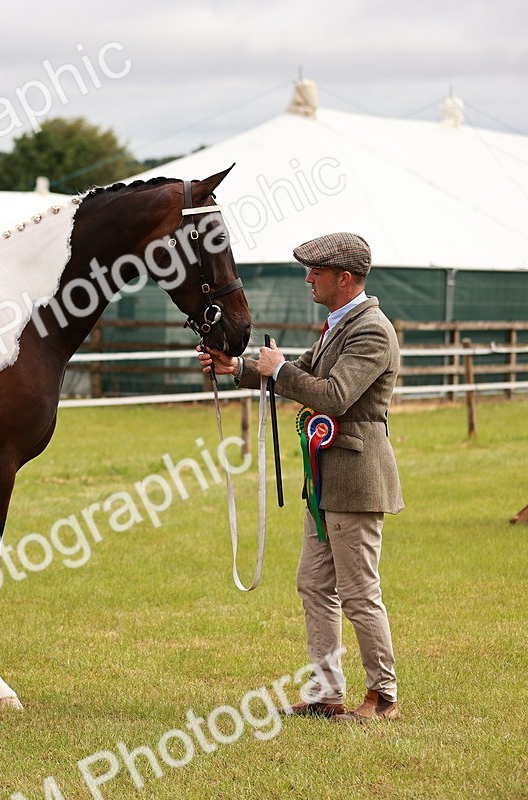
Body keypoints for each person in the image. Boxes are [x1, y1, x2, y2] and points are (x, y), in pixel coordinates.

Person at [198, 232, 403, 723]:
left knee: (358, 593)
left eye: (316, 272)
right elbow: (299, 370)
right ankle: (326, 692)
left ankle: (383, 696)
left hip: (356, 478)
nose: (308, 279)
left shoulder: (371, 330)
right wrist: (235, 367)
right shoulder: (339, 325)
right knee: (314, 584)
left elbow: (332, 395)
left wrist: (279, 368)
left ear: (344, 278)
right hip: (325, 480)